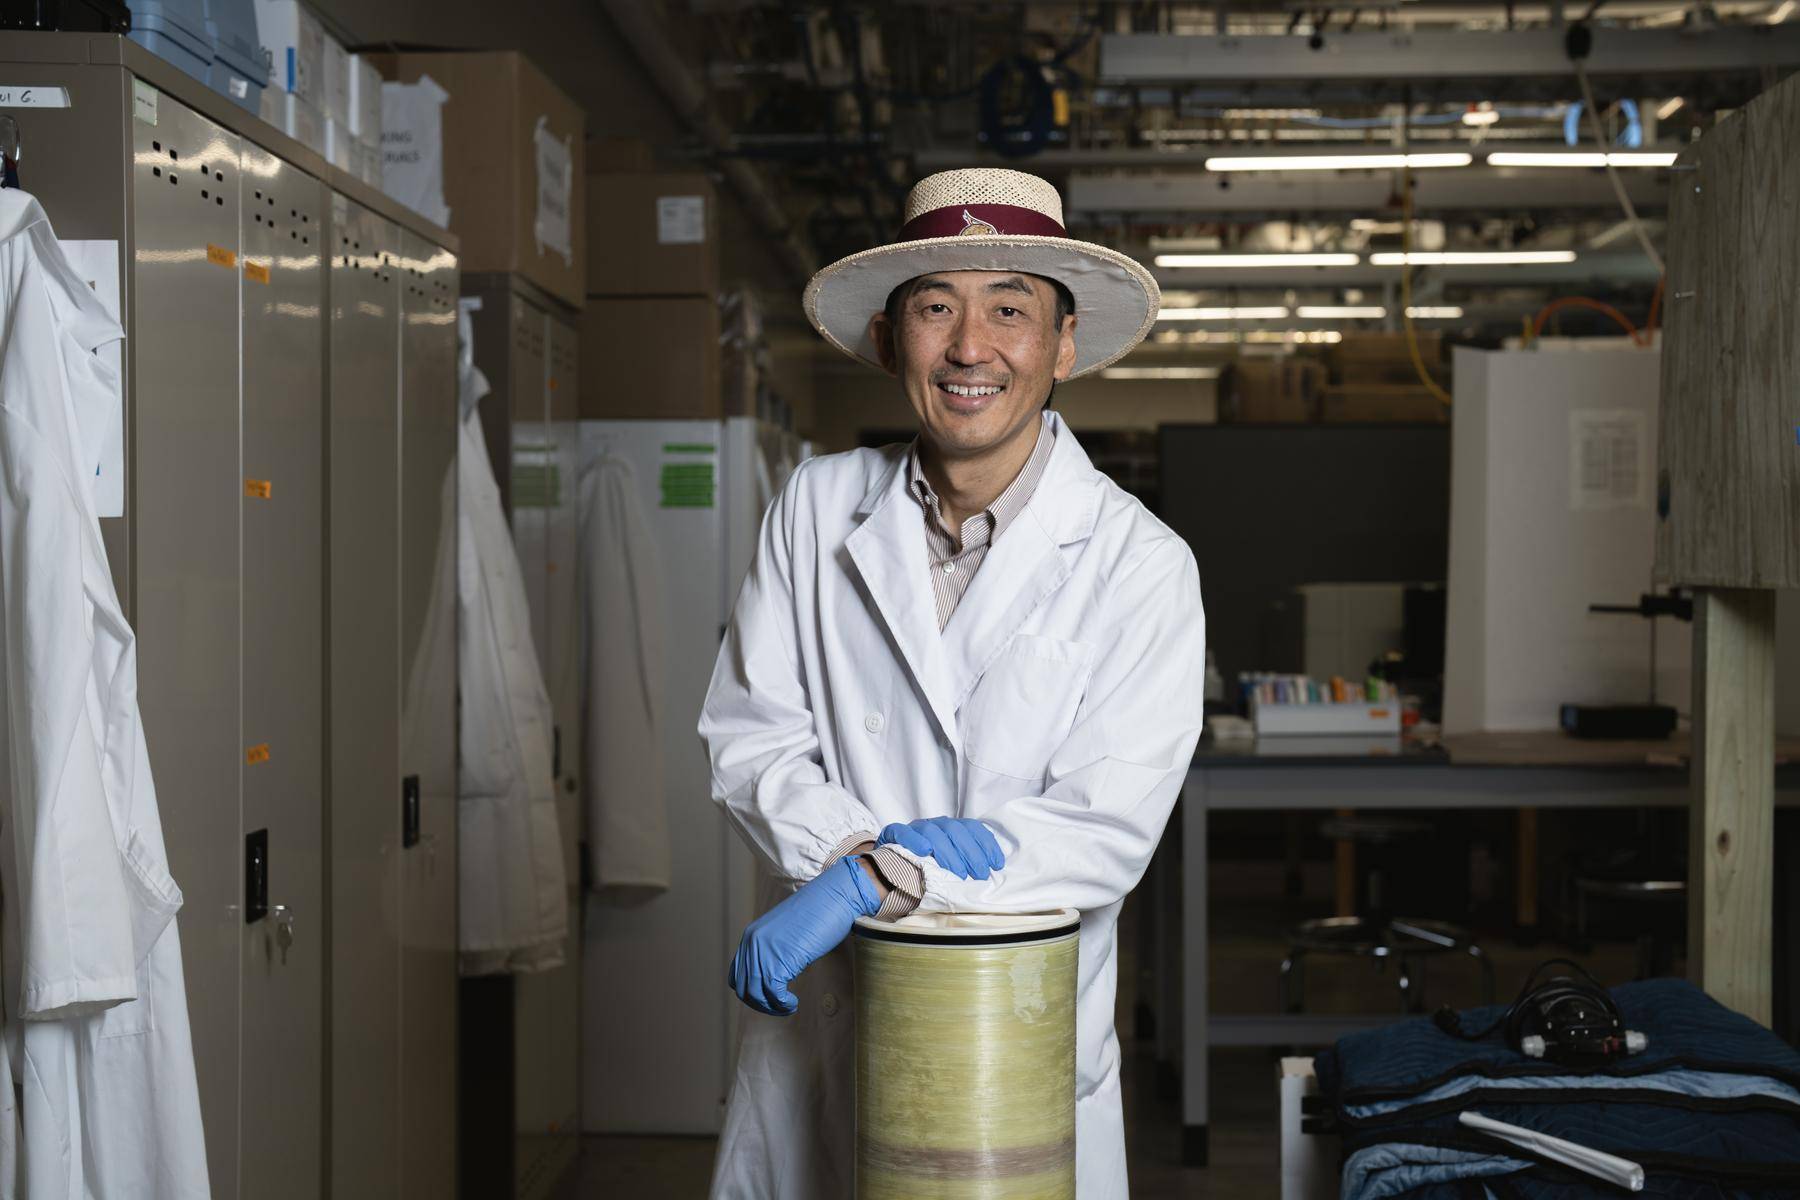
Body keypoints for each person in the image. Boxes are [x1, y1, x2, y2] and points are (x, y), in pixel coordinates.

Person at [698, 168, 1206, 1198]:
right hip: (829, 1026)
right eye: (936, 307)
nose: (971, 347)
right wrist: (845, 857)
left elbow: (1104, 827)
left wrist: (883, 880)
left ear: (1063, 344)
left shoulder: (1140, 563)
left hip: (1011, 1046)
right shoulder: (813, 506)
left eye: (1010, 309)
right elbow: (752, 734)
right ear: (891, 340)